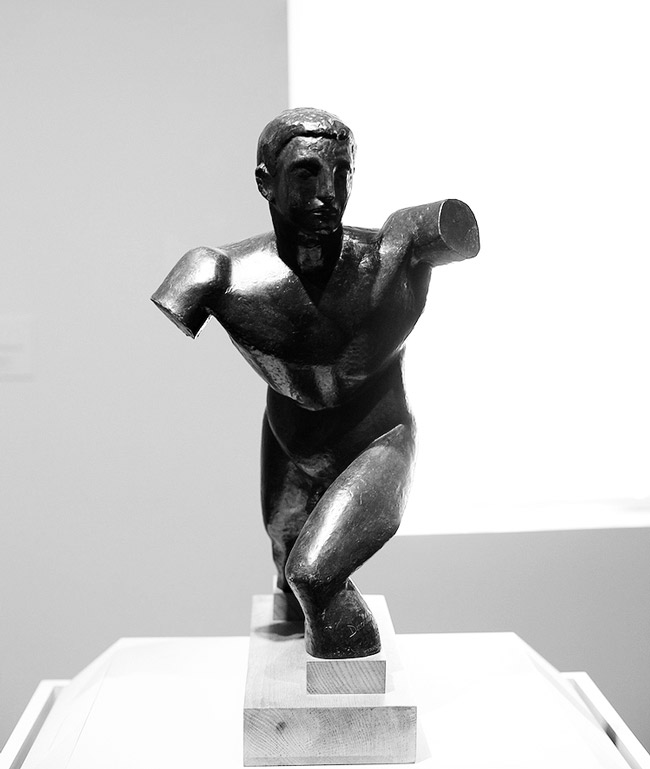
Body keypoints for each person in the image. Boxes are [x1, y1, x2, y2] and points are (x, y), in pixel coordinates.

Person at [152, 107, 479, 658]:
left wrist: (441, 224)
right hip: (289, 441)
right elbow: (178, 299)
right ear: (266, 182)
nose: (329, 192)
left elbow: (458, 229)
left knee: (314, 576)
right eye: (307, 173)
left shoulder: (392, 254)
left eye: (342, 173)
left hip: (378, 442)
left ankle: (347, 678)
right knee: (284, 558)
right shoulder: (218, 274)